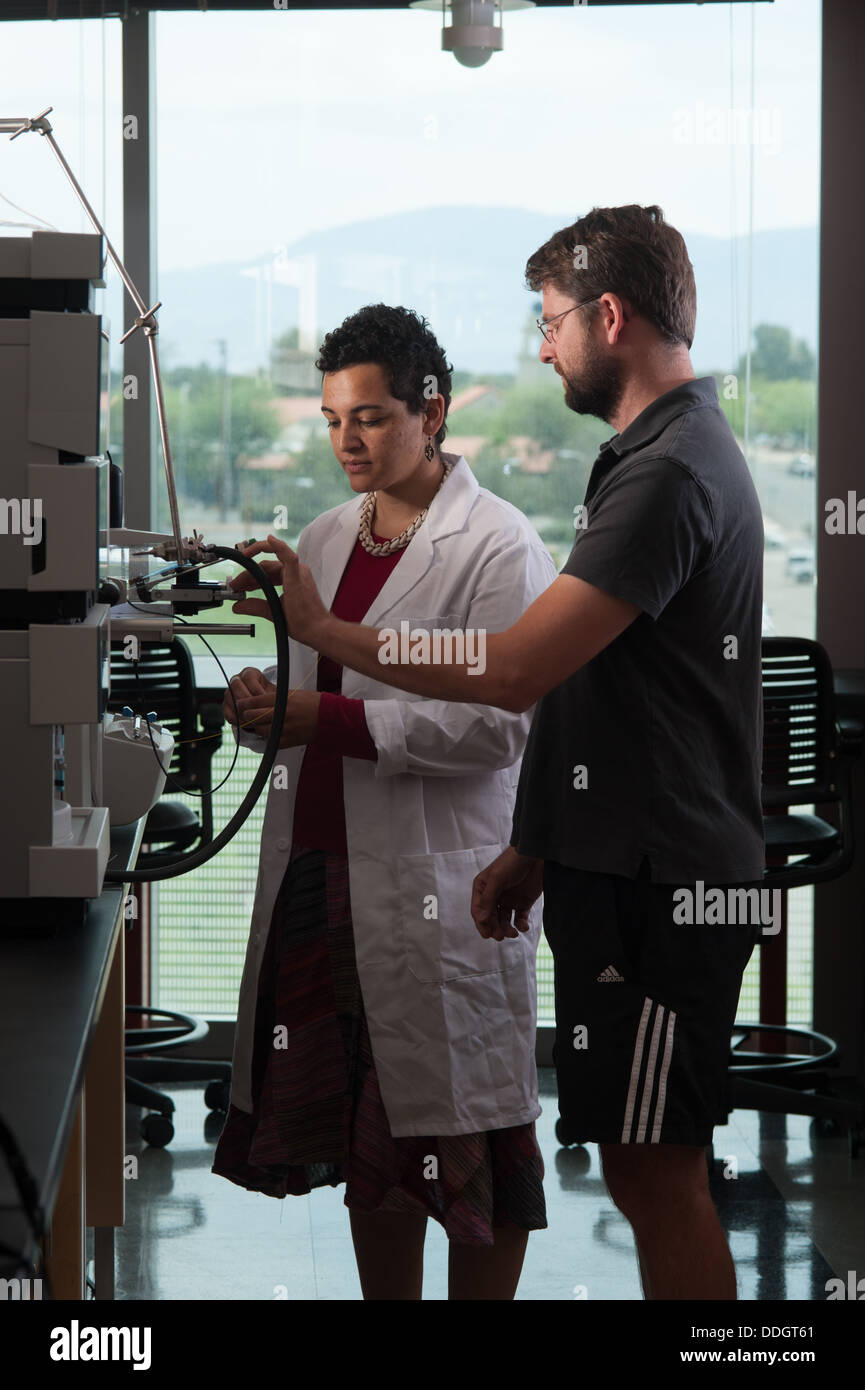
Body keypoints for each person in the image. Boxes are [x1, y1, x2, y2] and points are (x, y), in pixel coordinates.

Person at [239, 206, 766, 1302]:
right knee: (622, 1161)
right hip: (608, 865)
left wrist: (328, 642)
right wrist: (534, 846)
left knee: (655, 1171)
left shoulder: (667, 472)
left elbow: (516, 678)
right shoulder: (639, 462)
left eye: (550, 319)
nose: (541, 343)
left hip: (664, 877)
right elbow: (590, 692)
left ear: (607, 316)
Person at [212, 303, 557, 1300]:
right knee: (371, 1143)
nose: (345, 440)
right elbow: (317, 698)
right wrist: (264, 707)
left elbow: (500, 724)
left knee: (465, 1139)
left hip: (435, 886)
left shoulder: (497, 545)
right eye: (330, 418)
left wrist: (327, 720)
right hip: (323, 877)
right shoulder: (325, 536)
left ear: (431, 411)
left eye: (368, 416)